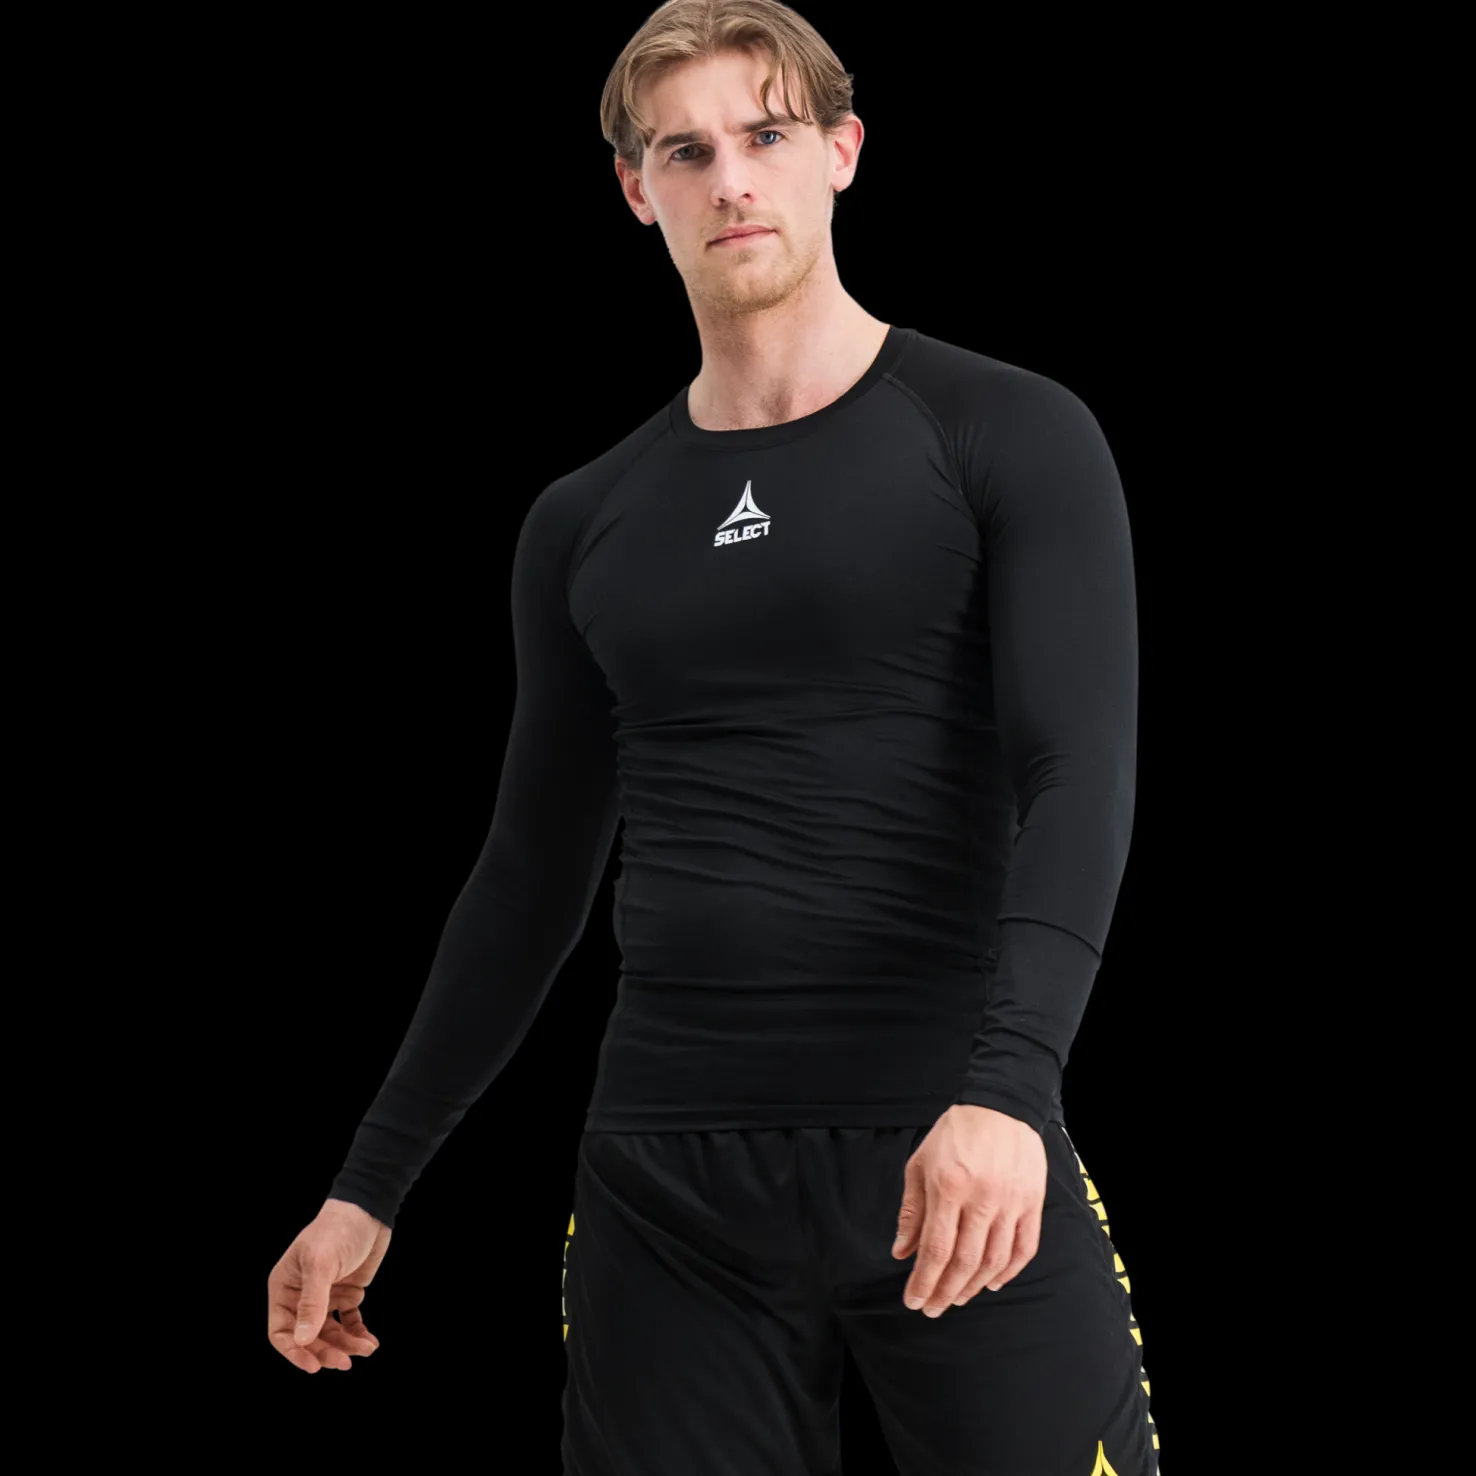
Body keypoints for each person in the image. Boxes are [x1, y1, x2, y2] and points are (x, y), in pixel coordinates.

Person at [266, 2, 1160, 1471]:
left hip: (951, 1136)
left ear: (842, 153)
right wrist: (373, 1179)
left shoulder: (1007, 430)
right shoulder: (585, 519)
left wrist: (1010, 1092)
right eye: (685, 151)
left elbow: (1080, 775)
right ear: (638, 190)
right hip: (667, 1180)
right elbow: (529, 876)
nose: (731, 179)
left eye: (767, 134)